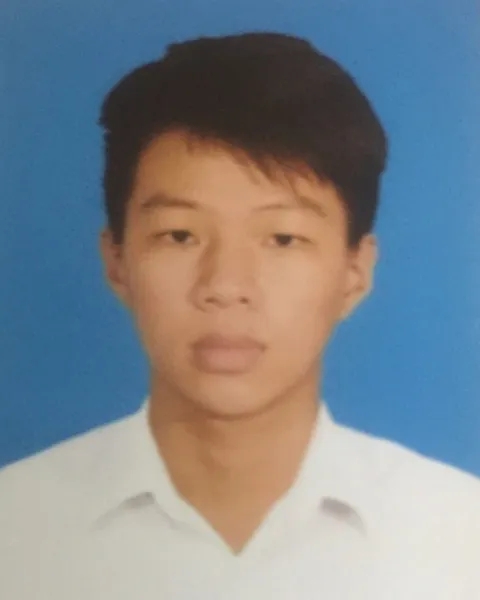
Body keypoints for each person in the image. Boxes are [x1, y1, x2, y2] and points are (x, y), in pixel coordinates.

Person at [0, 31, 478, 600]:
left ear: (356, 271)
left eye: (283, 238)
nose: (225, 287)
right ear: (117, 261)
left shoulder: (457, 530)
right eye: (180, 235)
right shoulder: (17, 524)